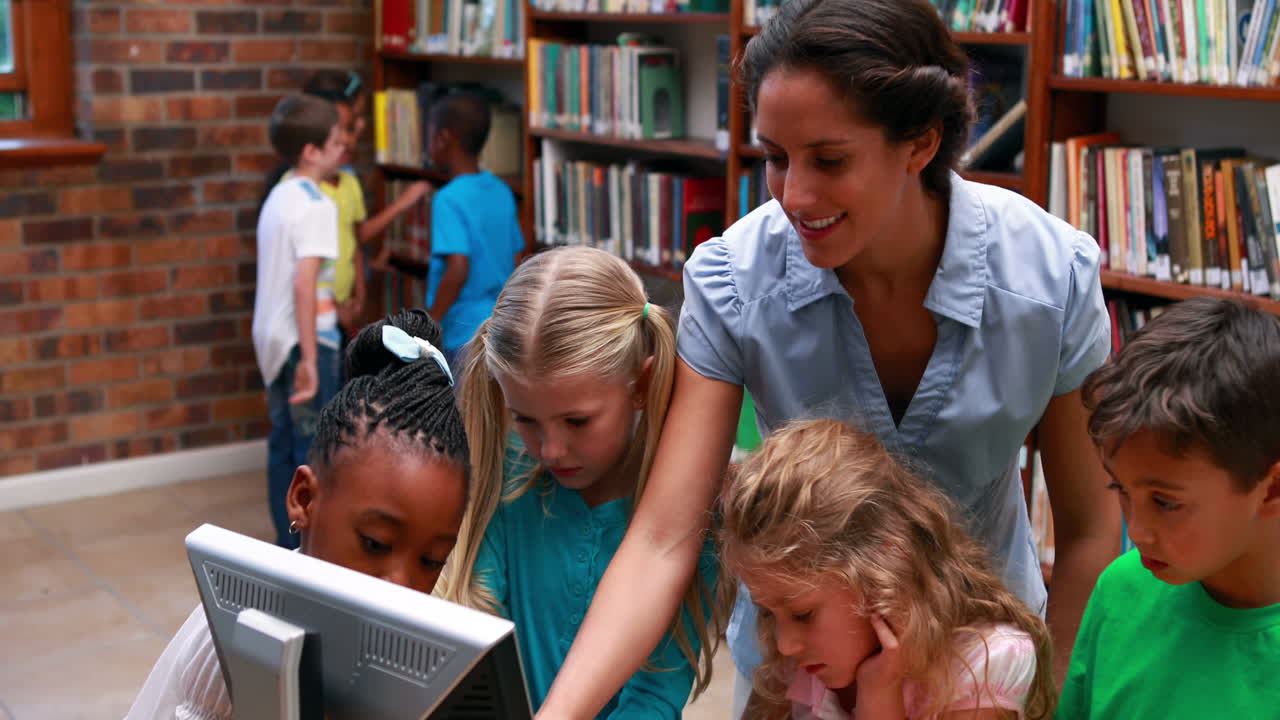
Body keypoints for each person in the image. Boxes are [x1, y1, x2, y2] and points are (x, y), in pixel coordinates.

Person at [535, 0, 1121, 715]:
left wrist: (1047, 703)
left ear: (921, 143)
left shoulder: (1051, 279)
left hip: (981, 676)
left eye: (830, 160)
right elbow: (664, 537)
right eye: (775, 158)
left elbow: (1090, 535)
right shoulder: (732, 280)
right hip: (797, 681)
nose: (795, 195)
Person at [124, 309, 470, 720]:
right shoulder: (240, 636)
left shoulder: (403, 654)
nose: (402, 588)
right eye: (375, 543)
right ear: (305, 500)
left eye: (431, 561)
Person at [439, 246, 717, 718]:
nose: (550, 450)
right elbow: (476, 623)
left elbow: (655, 696)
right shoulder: (505, 476)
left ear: (641, 385)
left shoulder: (692, 519)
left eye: (577, 421)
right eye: (525, 419)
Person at [721, 419, 1055, 720]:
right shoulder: (803, 667)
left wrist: (879, 694)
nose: (785, 645)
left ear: (885, 568)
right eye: (768, 614)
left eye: (803, 614)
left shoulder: (981, 664)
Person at [1056, 297, 1280, 719]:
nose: (1136, 531)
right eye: (1120, 488)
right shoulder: (1120, 589)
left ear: (1271, 490)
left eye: (1165, 502)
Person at [263, 69, 434, 342]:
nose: (350, 138)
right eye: (345, 129)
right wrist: (332, 308)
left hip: (341, 308)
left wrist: (359, 296)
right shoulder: (302, 194)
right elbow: (307, 270)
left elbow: (353, 242)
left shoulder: (347, 181)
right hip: (317, 315)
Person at [254, 94, 348, 548]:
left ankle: (284, 541)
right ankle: (305, 548)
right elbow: (304, 283)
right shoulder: (318, 205)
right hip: (306, 341)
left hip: (272, 339)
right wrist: (311, 359)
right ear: (312, 151)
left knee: (283, 444)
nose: (344, 148)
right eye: (336, 141)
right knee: (311, 453)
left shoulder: (280, 193)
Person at [419, 91, 524, 365]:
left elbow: (458, 268)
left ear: (443, 138)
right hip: (499, 328)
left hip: (461, 333)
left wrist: (431, 323)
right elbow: (516, 259)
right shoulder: (502, 190)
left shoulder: (448, 199)